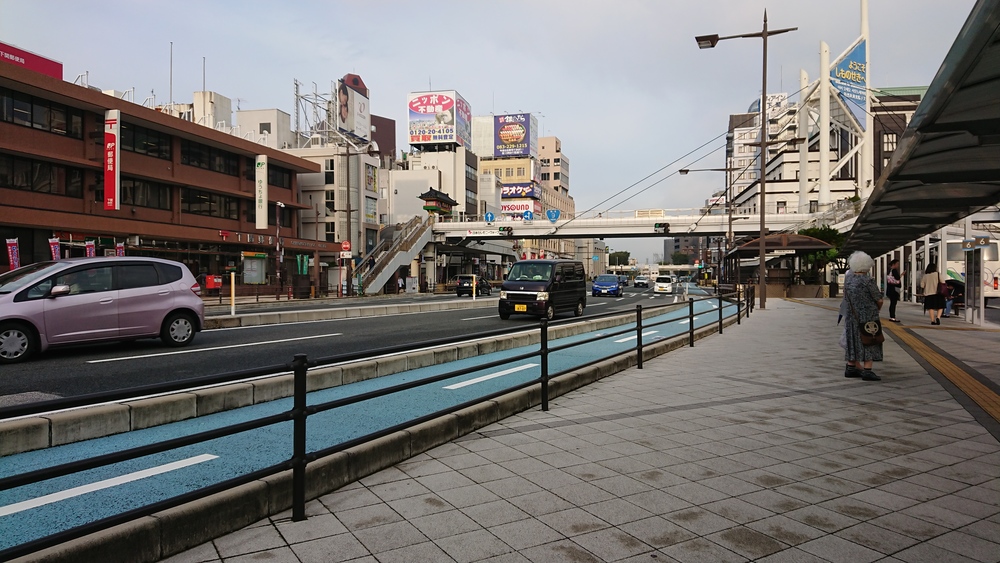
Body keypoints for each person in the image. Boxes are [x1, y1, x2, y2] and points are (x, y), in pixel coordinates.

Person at [843, 252, 884, 381]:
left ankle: (850, 367)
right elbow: (879, 299)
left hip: (851, 316)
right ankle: (867, 370)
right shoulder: (868, 281)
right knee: (869, 340)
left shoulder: (849, 280)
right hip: (868, 317)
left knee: (853, 339)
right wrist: (877, 309)